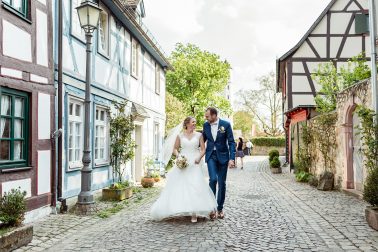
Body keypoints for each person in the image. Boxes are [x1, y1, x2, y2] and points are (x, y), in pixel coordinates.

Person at [150, 117, 217, 223]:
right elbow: (175, 149)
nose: (195, 124)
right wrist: (179, 157)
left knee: (195, 185)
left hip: (195, 162)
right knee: (180, 185)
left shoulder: (199, 135)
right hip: (184, 161)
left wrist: (199, 158)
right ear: (187, 124)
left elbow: (203, 149)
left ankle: (194, 213)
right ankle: (180, 208)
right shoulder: (180, 136)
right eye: (193, 122)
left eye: (195, 122)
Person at [202, 107, 236, 220]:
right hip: (211, 155)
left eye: (207, 116)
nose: (206, 118)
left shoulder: (225, 125)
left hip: (223, 157)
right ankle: (212, 208)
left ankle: (220, 208)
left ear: (214, 115)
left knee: (222, 182)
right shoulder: (206, 125)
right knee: (212, 179)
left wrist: (232, 158)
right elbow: (202, 140)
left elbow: (231, 142)